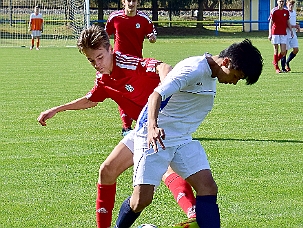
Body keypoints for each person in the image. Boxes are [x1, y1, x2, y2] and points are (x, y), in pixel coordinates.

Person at [37, 25, 196, 228]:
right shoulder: (103, 79)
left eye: (100, 57)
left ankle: (193, 215)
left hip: (163, 124)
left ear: (110, 48)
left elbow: (163, 67)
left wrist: (164, 92)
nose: (96, 64)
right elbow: (90, 100)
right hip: (142, 127)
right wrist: (57, 109)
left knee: (163, 171)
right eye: (91, 60)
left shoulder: (128, 63)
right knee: (108, 170)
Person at [114, 39, 264, 228]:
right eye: (236, 76)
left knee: (208, 188)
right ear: (226, 62)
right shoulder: (193, 69)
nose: (234, 82)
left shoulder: (211, 70)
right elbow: (156, 95)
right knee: (140, 201)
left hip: (182, 140)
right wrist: (152, 127)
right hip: (156, 138)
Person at [105, 0, 157, 136]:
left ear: (138, 2)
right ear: (124, 2)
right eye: (129, 1)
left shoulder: (143, 19)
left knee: (138, 93)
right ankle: (126, 127)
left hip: (136, 63)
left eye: (134, 1)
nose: (131, 4)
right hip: (118, 62)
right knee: (123, 93)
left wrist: (152, 38)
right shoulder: (115, 17)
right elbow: (105, 35)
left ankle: (138, 123)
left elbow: (152, 34)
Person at [268, 0, 293, 73]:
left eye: (282, 1)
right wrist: (270, 34)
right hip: (275, 32)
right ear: (277, 2)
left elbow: (288, 22)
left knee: (283, 51)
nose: (281, 3)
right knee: (276, 49)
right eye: (280, 1)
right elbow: (271, 23)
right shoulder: (274, 11)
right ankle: (277, 68)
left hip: (283, 33)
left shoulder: (286, 11)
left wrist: (291, 31)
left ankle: (275, 61)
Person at [280, 0, 300, 72]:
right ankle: (283, 68)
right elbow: (285, 24)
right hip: (286, 34)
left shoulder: (294, 12)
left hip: (293, 34)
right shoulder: (285, 12)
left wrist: (297, 26)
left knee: (296, 49)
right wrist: (295, 26)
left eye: (292, 5)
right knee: (284, 51)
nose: (291, 6)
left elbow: (293, 22)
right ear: (287, 5)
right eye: (290, 5)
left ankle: (287, 62)